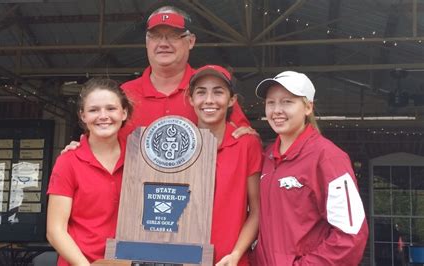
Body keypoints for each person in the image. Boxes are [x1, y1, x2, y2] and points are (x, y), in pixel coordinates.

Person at [62, 5, 254, 153]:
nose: (163, 43)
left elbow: (243, 139)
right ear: (147, 42)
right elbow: (98, 145)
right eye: (155, 36)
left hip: (198, 198)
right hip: (135, 199)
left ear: (191, 41)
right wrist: (78, 151)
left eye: (173, 36)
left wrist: (249, 135)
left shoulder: (210, 93)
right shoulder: (123, 95)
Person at [252, 71, 369, 265]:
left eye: (287, 102)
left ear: (308, 107)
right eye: (270, 102)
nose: (276, 110)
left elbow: (352, 235)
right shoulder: (267, 156)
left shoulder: (329, 158)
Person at [46, 78, 133, 266]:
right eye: (94, 110)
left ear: (124, 112)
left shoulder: (140, 159)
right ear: (83, 116)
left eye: (111, 108)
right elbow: (55, 231)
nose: (103, 116)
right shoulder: (68, 162)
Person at [188, 65, 262, 266]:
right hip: (184, 258)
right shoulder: (179, 144)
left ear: (232, 100)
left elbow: (257, 210)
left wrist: (236, 254)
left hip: (230, 260)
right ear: (191, 99)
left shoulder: (247, 144)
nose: (209, 100)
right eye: (201, 92)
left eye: (218, 92)